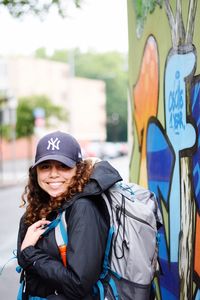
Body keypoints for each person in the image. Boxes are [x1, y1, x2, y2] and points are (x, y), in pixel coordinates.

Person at [17, 130, 122, 300]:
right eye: (45, 167)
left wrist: (30, 254)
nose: (53, 174)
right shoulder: (39, 207)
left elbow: (78, 285)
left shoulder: (83, 208)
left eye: (63, 166)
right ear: (35, 172)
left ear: (78, 170)